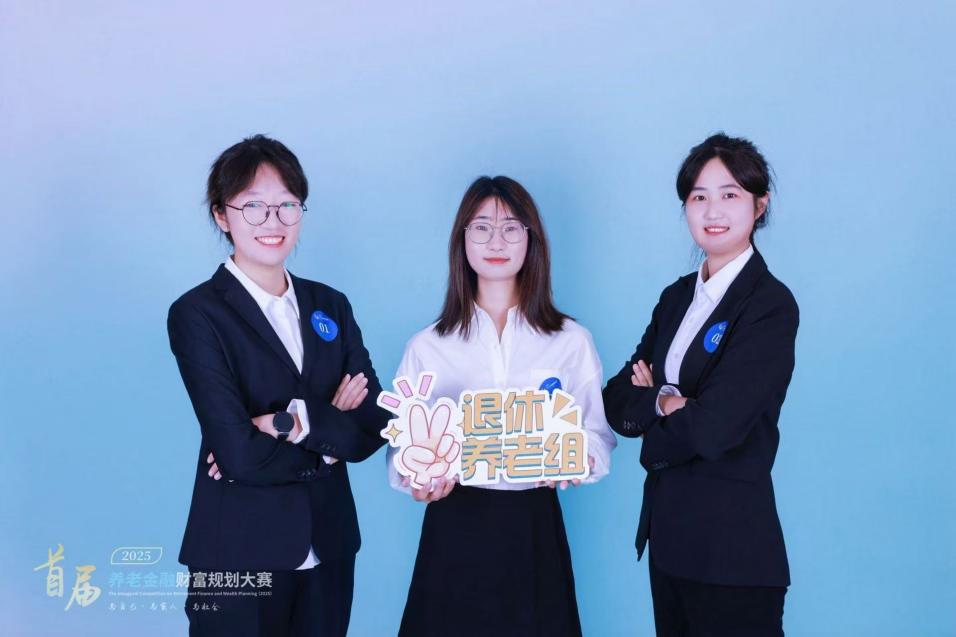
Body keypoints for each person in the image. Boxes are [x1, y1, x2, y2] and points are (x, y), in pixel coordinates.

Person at [167, 134, 389, 637]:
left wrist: (288, 422)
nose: (273, 221)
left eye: (287, 205)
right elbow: (238, 454)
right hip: (237, 553)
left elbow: (373, 424)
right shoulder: (198, 313)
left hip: (330, 545)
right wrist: (327, 443)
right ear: (222, 215)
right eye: (253, 206)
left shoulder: (330, 305)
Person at [387, 175, 617, 637]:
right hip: (454, 523)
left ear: (532, 240)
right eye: (481, 228)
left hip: (534, 524)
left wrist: (577, 459)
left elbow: (598, 434)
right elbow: (400, 450)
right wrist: (418, 479)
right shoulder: (428, 346)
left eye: (511, 228)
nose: (496, 241)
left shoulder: (570, 340)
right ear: (462, 239)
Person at [603, 133, 798, 636]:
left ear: (759, 205)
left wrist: (655, 402)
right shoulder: (675, 298)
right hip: (669, 544)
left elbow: (716, 430)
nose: (713, 210)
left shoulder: (769, 305)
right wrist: (670, 401)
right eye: (698, 197)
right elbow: (616, 402)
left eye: (730, 194)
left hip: (732, 552)